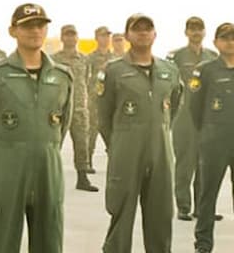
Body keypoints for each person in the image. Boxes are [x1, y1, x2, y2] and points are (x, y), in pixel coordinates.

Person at [0, 3, 73, 253]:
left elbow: (63, 122)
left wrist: (46, 149)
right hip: (7, 162)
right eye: (27, 26)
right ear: (13, 30)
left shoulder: (61, 75)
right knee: (1, 239)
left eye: (40, 25)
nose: (34, 31)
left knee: (49, 236)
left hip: (47, 165)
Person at [97, 13, 183, 253]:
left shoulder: (169, 70)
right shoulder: (113, 70)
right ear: (127, 36)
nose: (143, 33)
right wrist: (118, 143)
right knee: (121, 213)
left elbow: (174, 104)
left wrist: (158, 130)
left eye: (148, 28)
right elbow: (103, 116)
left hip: (160, 151)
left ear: (155, 34)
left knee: (161, 215)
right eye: (137, 29)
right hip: (126, 150)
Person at [188, 21, 234, 253]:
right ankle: (203, 244)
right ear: (216, 42)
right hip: (214, 140)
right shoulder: (205, 70)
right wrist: (207, 131)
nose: (230, 42)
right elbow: (194, 106)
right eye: (225, 38)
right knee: (207, 195)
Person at [168, 15, 217, 220]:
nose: (196, 32)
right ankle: (184, 206)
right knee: (185, 163)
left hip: (207, 117)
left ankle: (202, 209)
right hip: (184, 116)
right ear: (186, 32)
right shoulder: (176, 56)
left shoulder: (213, 56)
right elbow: (169, 85)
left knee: (205, 164)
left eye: (199, 29)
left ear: (204, 32)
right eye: (192, 29)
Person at [51, 23, 98, 192]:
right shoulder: (54, 60)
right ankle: (52, 178)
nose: (70, 38)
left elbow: (86, 80)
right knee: (55, 144)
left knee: (82, 143)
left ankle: (82, 178)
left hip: (79, 107)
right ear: (62, 37)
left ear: (77, 37)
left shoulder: (84, 59)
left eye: (73, 34)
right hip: (59, 107)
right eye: (67, 35)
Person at [86, 25, 114, 160]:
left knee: (112, 131)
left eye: (108, 36)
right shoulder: (90, 58)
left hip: (111, 99)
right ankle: (88, 159)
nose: (106, 38)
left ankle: (114, 157)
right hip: (94, 98)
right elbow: (85, 77)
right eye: (103, 35)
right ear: (96, 38)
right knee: (92, 130)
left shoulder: (115, 58)